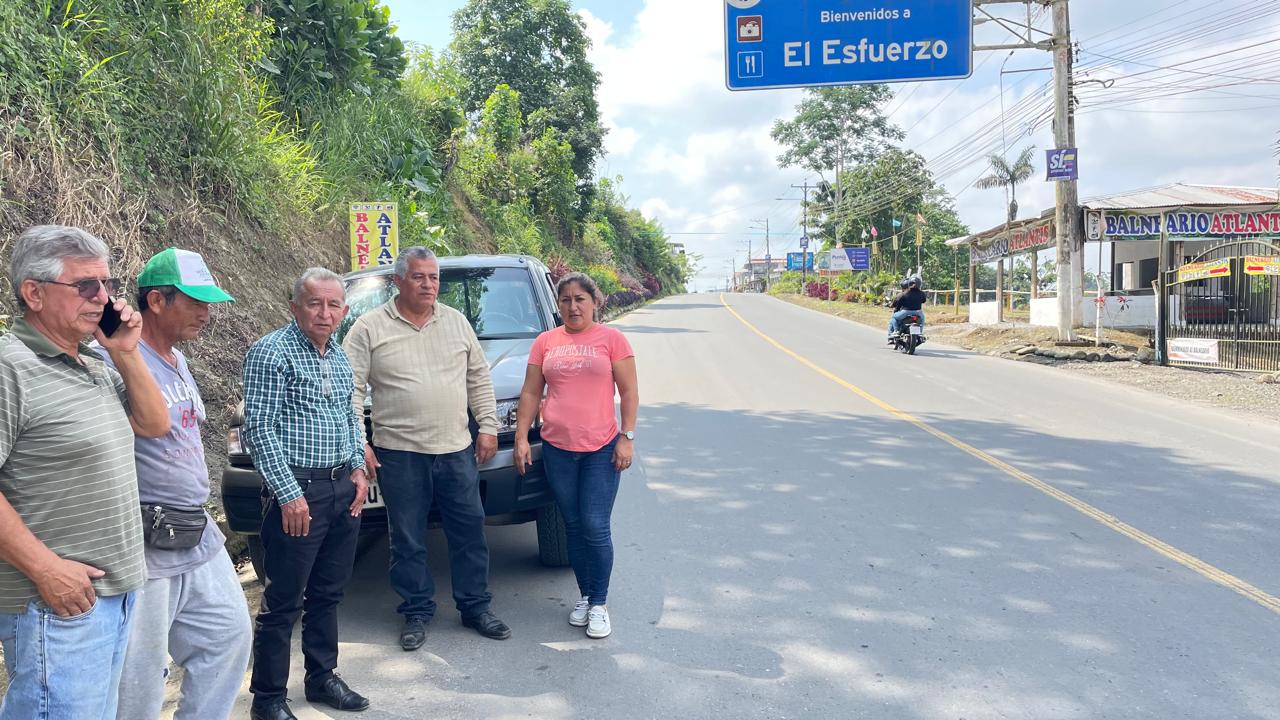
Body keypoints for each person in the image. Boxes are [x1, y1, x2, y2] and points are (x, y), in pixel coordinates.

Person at [0, 225, 169, 719]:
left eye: (107, 284)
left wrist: (125, 351)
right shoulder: (10, 367)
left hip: (111, 595)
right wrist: (46, 569)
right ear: (33, 293)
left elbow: (154, 424)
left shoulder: (93, 363)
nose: (103, 298)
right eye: (85, 285)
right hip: (55, 604)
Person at [102, 248, 251, 720]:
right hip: (144, 536)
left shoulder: (178, 361)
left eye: (209, 303)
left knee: (228, 636)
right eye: (195, 302)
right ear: (156, 301)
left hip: (194, 528)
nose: (207, 313)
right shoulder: (114, 360)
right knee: (141, 675)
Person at [344, 247, 510, 652]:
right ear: (398, 281)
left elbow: (478, 378)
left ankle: (475, 607)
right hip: (398, 453)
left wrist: (488, 427)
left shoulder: (456, 322)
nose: (429, 284)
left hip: (456, 449)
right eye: (419, 277)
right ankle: (416, 611)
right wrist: (358, 441)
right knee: (407, 538)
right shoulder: (369, 327)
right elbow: (350, 390)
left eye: (433, 277)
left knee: (469, 531)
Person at [242, 268, 371, 720]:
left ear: (344, 310)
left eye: (334, 305)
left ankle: (321, 676)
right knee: (283, 600)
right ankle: (268, 698)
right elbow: (259, 430)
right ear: (294, 306)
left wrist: (357, 468)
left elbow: (349, 418)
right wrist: (288, 494)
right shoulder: (271, 352)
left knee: (328, 593)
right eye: (314, 303)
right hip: (299, 489)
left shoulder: (338, 354)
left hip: (341, 488)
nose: (324, 313)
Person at [513, 272, 638, 640]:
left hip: (601, 448)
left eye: (580, 299)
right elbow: (531, 392)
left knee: (595, 525)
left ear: (594, 301)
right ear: (558, 305)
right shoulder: (545, 342)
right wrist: (521, 437)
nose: (573, 306)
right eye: (565, 300)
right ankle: (585, 595)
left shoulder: (612, 339)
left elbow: (629, 392)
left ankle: (599, 603)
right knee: (572, 525)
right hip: (557, 450)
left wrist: (627, 437)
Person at [887, 275, 926, 342]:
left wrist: (895, 309)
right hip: (918, 312)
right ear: (919, 284)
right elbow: (924, 301)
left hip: (905, 312)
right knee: (922, 321)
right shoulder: (921, 293)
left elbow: (898, 304)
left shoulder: (904, 294)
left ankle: (895, 331)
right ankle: (920, 333)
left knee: (894, 317)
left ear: (909, 284)